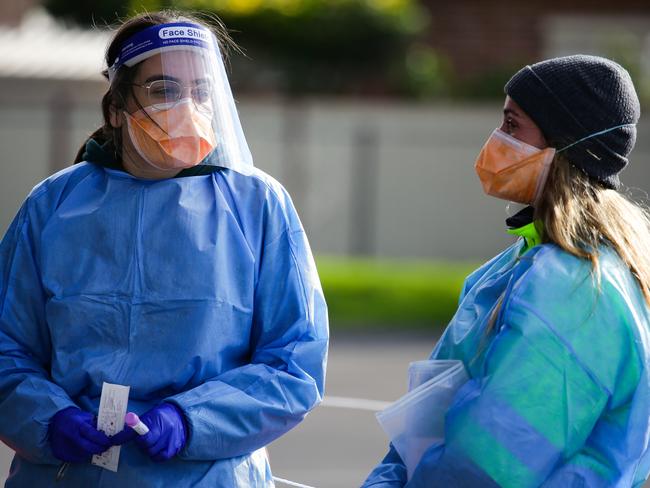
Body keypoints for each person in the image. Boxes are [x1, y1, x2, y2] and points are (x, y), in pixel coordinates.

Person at [0, 11, 328, 487]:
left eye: (202, 91)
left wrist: (192, 419)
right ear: (116, 108)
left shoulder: (258, 205)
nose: (188, 107)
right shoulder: (52, 205)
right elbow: (7, 346)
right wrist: (48, 420)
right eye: (164, 90)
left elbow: (294, 361)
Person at [363, 55, 650, 487]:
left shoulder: (573, 286)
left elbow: (490, 461)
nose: (497, 140)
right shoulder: (529, 263)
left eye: (513, 126)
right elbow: (433, 411)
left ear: (563, 143)